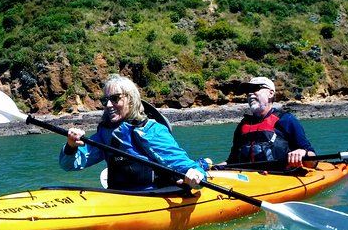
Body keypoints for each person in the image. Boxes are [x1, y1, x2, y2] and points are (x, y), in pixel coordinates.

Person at [59, 74, 207, 190]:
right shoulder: (105, 133)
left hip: (151, 194)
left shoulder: (150, 131)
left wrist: (196, 173)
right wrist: (71, 146)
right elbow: (70, 165)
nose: (109, 105)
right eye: (106, 100)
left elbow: (183, 164)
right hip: (119, 194)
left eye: (115, 99)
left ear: (131, 100)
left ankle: (204, 164)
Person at [225, 76, 316, 168]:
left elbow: (312, 160)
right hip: (249, 178)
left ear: (270, 93)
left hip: (281, 177)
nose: (250, 94)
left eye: (255, 89)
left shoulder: (286, 120)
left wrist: (303, 152)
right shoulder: (242, 126)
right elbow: (231, 162)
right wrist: (213, 169)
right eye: (248, 91)